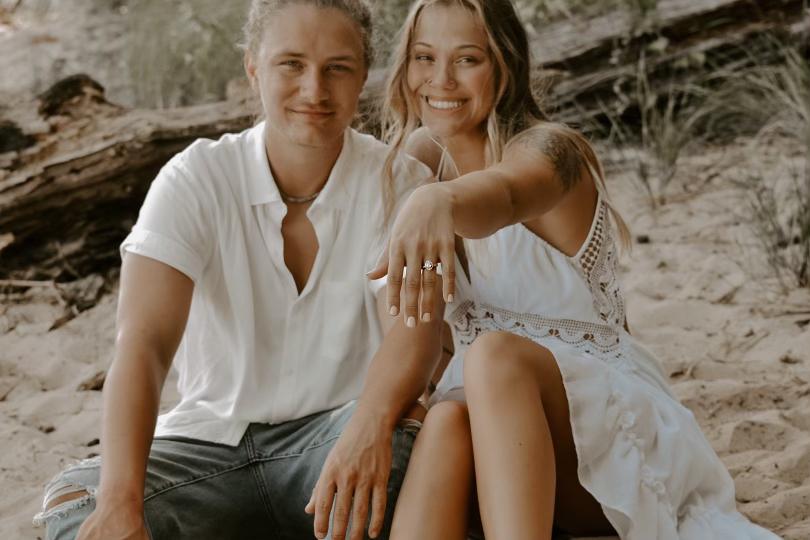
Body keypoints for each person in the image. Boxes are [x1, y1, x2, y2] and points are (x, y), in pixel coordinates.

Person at [368, 1, 783, 539]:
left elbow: (505, 195)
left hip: (611, 438)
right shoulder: (418, 158)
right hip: (505, 447)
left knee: (493, 356)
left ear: (506, 63)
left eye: (467, 59)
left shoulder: (551, 153)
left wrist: (434, 200)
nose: (440, 79)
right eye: (424, 57)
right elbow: (418, 336)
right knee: (447, 418)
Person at [32, 1, 444, 539]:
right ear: (253, 67)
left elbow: (413, 336)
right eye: (291, 64)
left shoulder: (400, 184)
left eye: (337, 68)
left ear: (364, 74)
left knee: (406, 456)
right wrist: (119, 503)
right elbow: (144, 344)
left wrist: (369, 429)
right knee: (76, 507)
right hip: (208, 444)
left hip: (336, 435)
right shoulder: (194, 178)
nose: (314, 90)